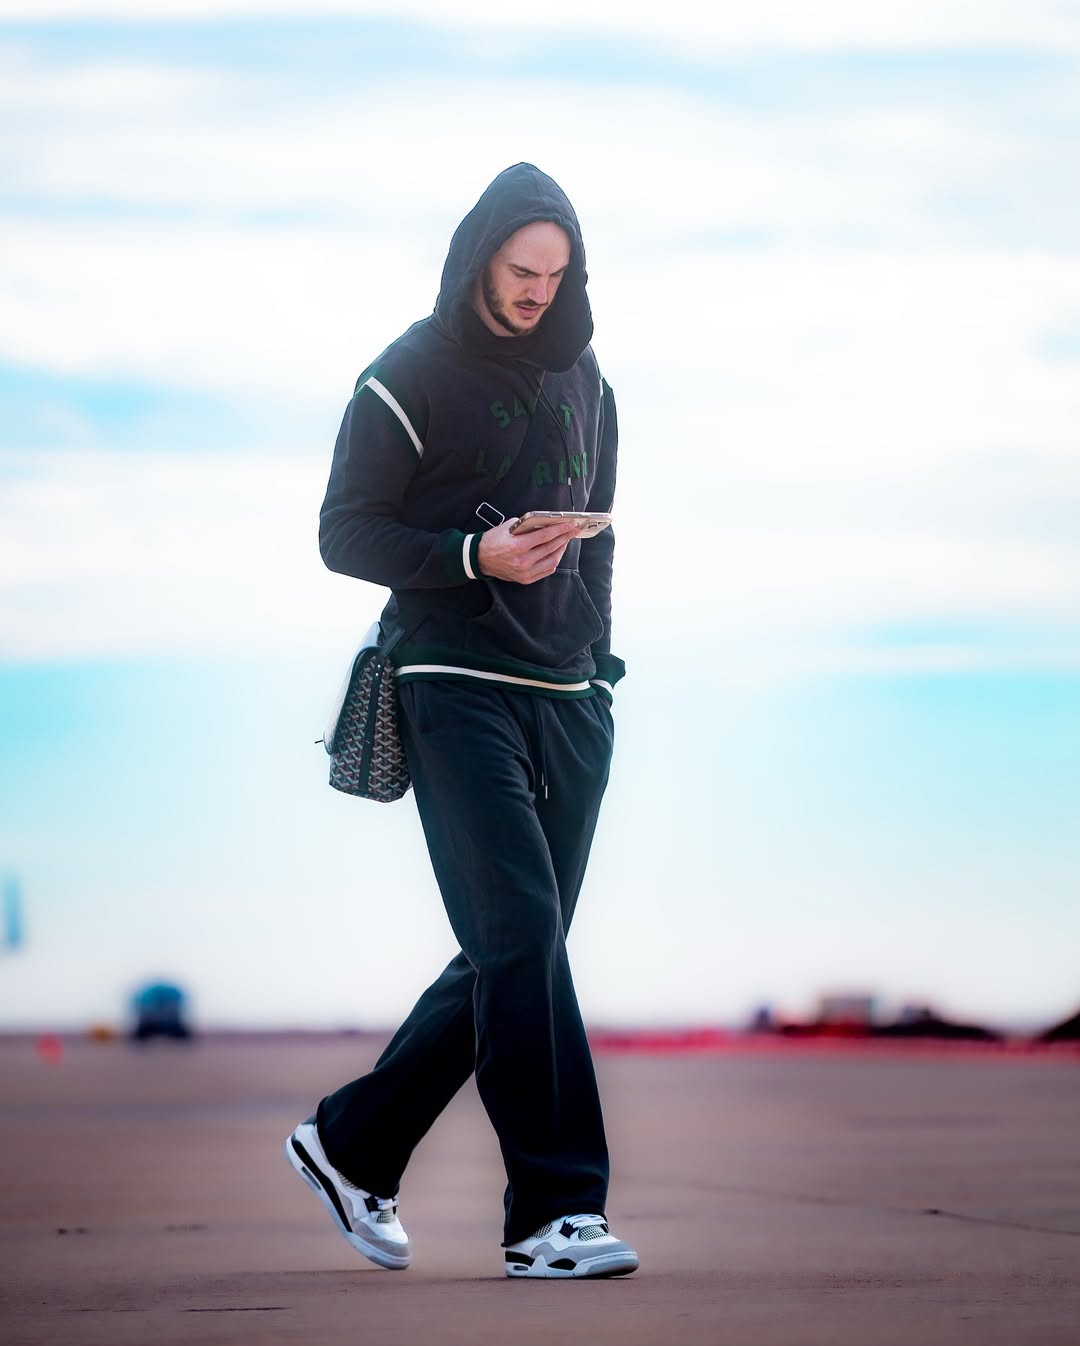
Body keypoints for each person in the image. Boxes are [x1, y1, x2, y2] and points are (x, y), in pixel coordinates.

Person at [286, 163, 637, 1280]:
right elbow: (345, 532)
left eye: (556, 275)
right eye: (521, 269)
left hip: (570, 695)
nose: (537, 291)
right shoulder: (406, 374)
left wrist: (599, 666)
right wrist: (471, 555)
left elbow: (601, 534)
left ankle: (353, 1142)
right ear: (479, 257)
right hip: (450, 680)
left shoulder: (590, 379)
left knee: (514, 946)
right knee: (520, 937)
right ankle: (555, 1215)